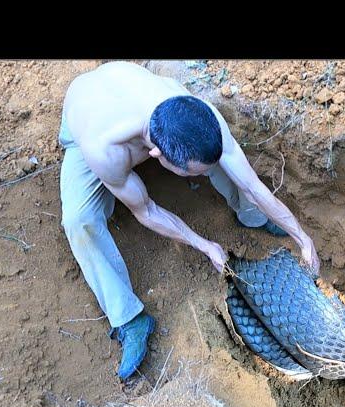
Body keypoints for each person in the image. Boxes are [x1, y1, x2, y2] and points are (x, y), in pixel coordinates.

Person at [59, 61, 320, 381]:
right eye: (189, 173)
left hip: (131, 92)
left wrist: (302, 237)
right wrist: (204, 245)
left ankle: (251, 217)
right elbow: (147, 211)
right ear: (157, 157)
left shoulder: (199, 114)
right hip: (85, 118)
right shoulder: (104, 150)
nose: (198, 175)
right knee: (78, 220)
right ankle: (128, 318)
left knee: (216, 161)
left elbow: (253, 184)